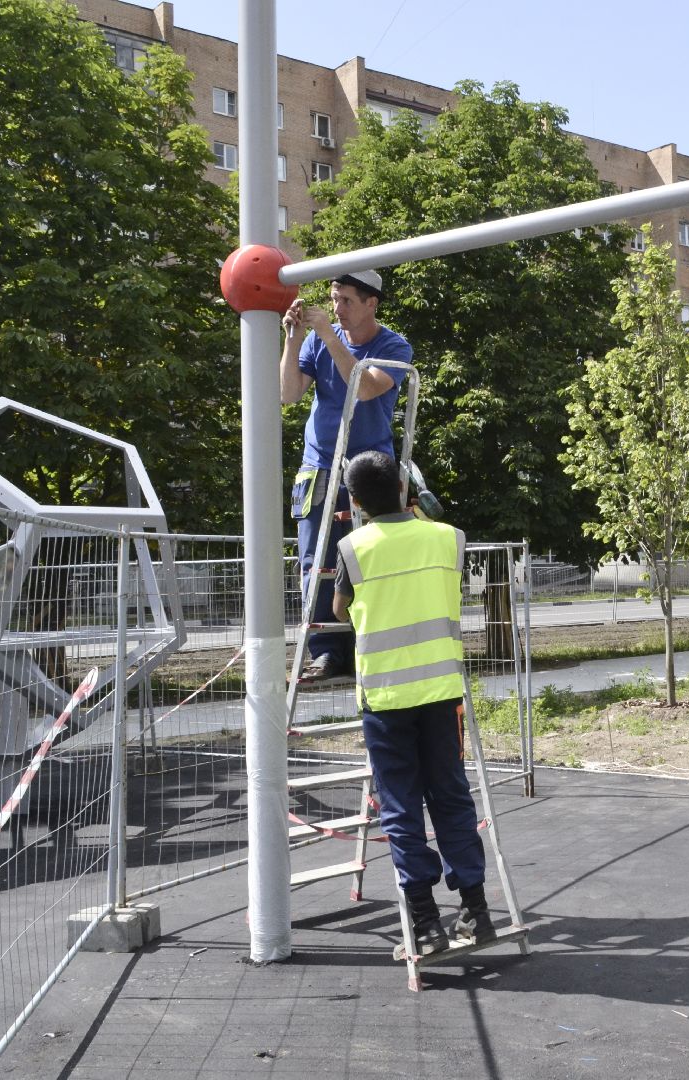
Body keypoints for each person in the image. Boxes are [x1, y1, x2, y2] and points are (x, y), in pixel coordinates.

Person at [333, 450, 492, 956]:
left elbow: (340, 609)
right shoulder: (448, 538)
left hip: (384, 698)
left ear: (355, 502)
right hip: (442, 693)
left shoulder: (354, 549)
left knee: (401, 806)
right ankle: (475, 911)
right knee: (451, 795)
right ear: (405, 489)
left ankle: (425, 925)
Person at [280, 269, 411, 683]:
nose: (337, 310)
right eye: (334, 300)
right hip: (319, 465)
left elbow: (367, 388)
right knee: (314, 562)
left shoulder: (393, 344)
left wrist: (328, 335)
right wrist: (294, 337)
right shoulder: (319, 338)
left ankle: (372, 645)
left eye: (346, 301)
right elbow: (288, 394)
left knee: (374, 557)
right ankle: (326, 654)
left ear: (372, 303)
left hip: (370, 467)